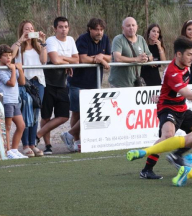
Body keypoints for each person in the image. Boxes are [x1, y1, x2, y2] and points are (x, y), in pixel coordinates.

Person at [138, 36, 192, 179]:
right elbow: (188, 95)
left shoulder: (185, 65)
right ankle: (146, 170)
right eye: (189, 54)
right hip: (167, 107)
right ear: (179, 54)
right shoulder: (173, 72)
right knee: (167, 136)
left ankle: (176, 155)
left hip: (181, 107)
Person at [61, 18, 111, 152]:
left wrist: (100, 57)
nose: (99, 32)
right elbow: (82, 58)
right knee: (77, 114)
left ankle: (69, 135)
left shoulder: (105, 39)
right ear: (90, 29)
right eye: (96, 30)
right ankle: (76, 141)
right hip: (77, 82)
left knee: (90, 113)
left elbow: (110, 57)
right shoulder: (82, 39)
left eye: (101, 30)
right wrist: (99, 59)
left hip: (94, 83)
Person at [36, 16, 79, 155]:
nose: (63, 29)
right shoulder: (50, 40)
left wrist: (63, 60)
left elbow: (77, 60)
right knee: (46, 117)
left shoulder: (71, 40)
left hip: (62, 83)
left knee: (64, 116)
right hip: (48, 83)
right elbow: (54, 60)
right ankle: (48, 145)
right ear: (55, 28)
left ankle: (37, 135)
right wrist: (67, 62)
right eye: (60, 27)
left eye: (66, 27)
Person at [11, 20, 47, 157]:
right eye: (26, 29)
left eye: (31, 28)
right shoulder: (19, 46)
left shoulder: (38, 45)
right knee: (26, 113)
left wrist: (43, 42)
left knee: (36, 113)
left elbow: (44, 60)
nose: (29, 30)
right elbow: (12, 55)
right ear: (22, 30)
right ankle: (25, 145)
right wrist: (21, 39)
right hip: (25, 82)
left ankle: (33, 143)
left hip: (38, 82)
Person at [0, 44, 28, 159]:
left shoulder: (12, 68)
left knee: (21, 125)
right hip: (6, 100)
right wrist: (14, 70)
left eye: (10, 55)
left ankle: (14, 149)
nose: (8, 58)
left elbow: (22, 82)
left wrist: (20, 70)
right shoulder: (0, 71)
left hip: (15, 100)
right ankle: (8, 151)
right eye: (5, 56)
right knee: (7, 127)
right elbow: (12, 83)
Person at [108, 17, 152, 88]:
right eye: (128, 26)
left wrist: (146, 58)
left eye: (133, 25)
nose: (131, 28)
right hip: (119, 84)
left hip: (135, 83)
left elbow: (150, 55)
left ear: (137, 27)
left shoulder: (141, 39)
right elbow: (117, 58)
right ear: (123, 28)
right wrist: (136, 59)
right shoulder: (118, 39)